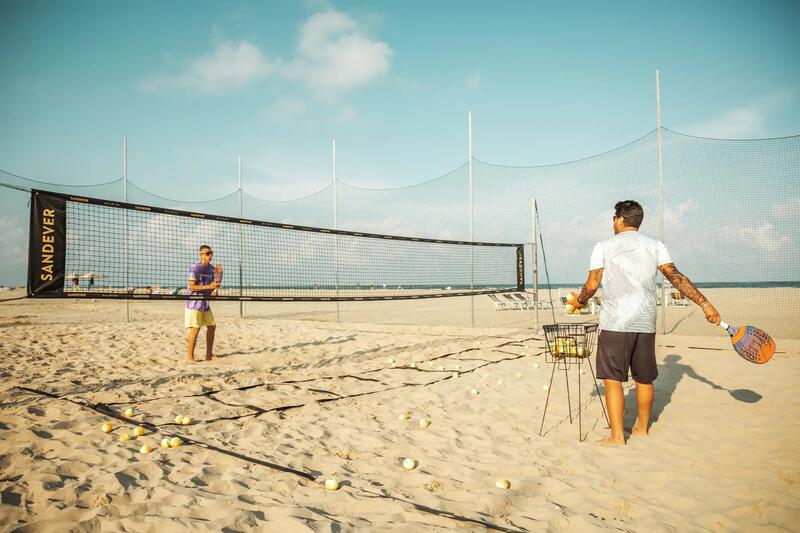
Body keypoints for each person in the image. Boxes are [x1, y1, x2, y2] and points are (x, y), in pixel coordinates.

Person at [570, 200, 720, 445]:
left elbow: (592, 284)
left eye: (613, 218)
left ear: (619, 219)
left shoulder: (603, 246)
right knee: (644, 378)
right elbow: (676, 277)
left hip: (615, 324)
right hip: (645, 322)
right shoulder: (655, 245)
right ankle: (642, 429)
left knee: (612, 379)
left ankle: (617, 437)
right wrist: (704, 303)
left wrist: (580, 301)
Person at [185, 245, 221, 363]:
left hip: (205, 303)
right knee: (195, 329)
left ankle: (208, 355)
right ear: (201, 254)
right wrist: (209, 286)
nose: (210, 255)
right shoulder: (195, 267)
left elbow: (212, 288)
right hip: (194, 303)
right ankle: (190, 358)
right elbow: (192, 286)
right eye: (207, 253)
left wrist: (215, 290)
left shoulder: (212, 269)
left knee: (212, 327)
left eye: (211, 253)